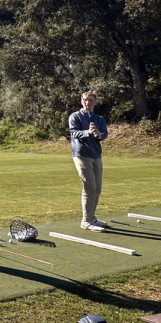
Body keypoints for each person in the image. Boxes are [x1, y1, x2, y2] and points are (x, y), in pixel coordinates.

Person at [69, 92, 109, 231]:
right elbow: (73, 132)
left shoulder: (99, 118)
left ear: (95, 103)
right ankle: (86, 221)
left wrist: (98, 134)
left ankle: (92, 218)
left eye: (90, 100)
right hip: (81, 155)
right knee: (90, 187)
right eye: (85, 100)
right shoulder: (75, 116)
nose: (88, 103)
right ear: (81, 102)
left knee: (97, 189)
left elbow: (104, 133)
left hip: (96, 155)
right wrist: (87, 132)